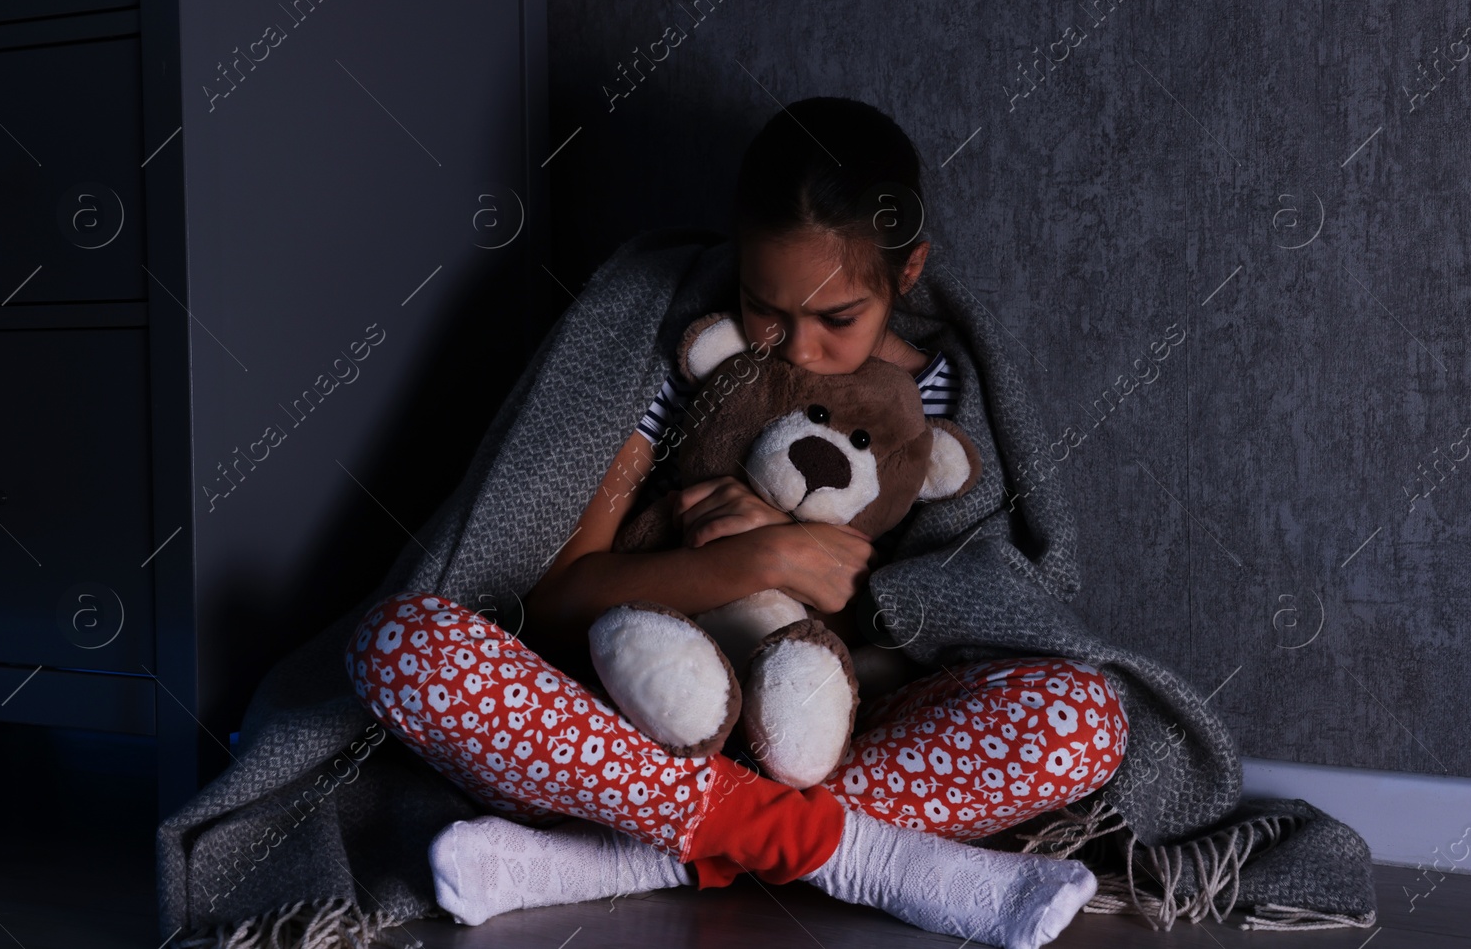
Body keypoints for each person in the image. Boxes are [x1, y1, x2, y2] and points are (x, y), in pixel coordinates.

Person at [347, 98, 1128, 948]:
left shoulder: (939, 398)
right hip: (642, 726)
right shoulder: (679, 356)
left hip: (836, 735)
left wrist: (826, 586)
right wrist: (765, 556)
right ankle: (852, 854)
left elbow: (945, 624)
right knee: (399, 644)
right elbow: (556, 602)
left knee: (1087, 718)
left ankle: (635, 857)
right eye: (768, 308)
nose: (796, 349)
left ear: (905, 277)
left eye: (838, 319)